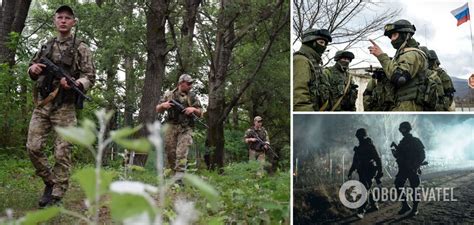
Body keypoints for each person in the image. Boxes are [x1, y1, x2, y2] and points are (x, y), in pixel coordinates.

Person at [26, 5, 95, 207]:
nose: (63, 20)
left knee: (62, 152)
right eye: (60, 17)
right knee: (33, 147)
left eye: (67, 18)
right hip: (44, 104)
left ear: (73, 22)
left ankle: (56, 195)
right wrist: (34, 69)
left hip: (65, 106)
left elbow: (90, 76)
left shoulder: (81, 47)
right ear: (55, 21)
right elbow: (32, 70)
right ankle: (50, 181)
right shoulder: (45, 46)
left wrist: (76, 83)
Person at [368, 19, 429, 111]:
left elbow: (399, 77)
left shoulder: (413, 54)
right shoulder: (402, 55)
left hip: (408, 105)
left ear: (406, 35)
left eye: (394, 35)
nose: (392, 39)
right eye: (391, 36)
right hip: (398, 104)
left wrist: (381, 56)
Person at [156, 74, 203, 182]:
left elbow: (201, 113)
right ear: (181, 83)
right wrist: (163, 106)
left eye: (191, 83)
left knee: (181, 153)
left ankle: (179, 178)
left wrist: (193, 109)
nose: (191, 86)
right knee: (170, 152)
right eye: (189, 83)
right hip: (171, 127)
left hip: (186, 128)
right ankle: (171, 176)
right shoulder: (169, 94)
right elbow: (157, 108)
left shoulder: (192, 96)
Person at [391, 121, 425, 216]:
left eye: (404, 129)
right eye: (401, 129)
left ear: (408, 129)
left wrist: (416, 165)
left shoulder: (415, 141)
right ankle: (405, 205)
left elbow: (422, 155)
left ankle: (415, 209)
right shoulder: (402, 142)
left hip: (412, 169)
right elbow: (399, 155)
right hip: (403, 169)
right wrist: (395, 151)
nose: (402, 131)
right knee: (398, 184)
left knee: (414, 188)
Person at [293, 28, 332, 111]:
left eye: (325, 44)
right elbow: (300, 98)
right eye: (321, 42)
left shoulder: (315, 63)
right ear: (311, 42)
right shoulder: (301, 60)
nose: (324, 46)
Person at [348, 128, 383, 218]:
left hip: (370, 170)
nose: (359, 138)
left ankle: (362, 210)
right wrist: (351, 170)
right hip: (362, 171)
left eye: (360, 136)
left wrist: (380, 171)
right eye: (358, 137)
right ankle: (374, 204)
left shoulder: (370, 146)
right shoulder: (359, 148)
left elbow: (377, 159)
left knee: (365, 188)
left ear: (363, 136)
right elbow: (355, 161)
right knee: (367, 187)